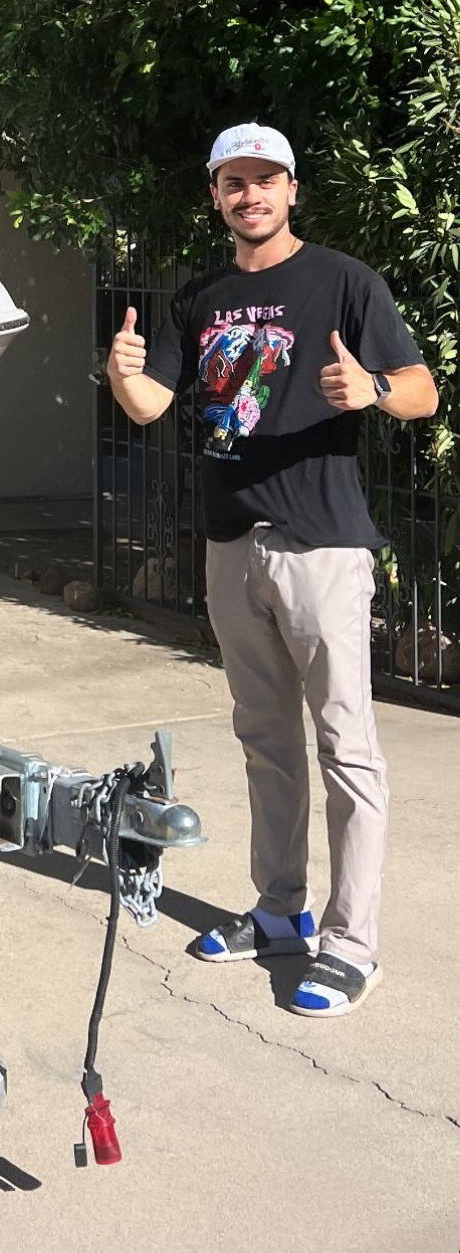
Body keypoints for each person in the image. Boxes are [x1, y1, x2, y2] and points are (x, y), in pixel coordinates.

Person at [106, 123, 438, 1018]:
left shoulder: (344, 281)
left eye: (265, 179)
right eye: (233, 181)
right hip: (231, 545)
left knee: (345, 746)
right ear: (215, 196)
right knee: (265, 739)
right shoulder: (199, 297)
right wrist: (122, 372)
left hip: (321, 546)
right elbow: (151, 406)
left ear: (292, 190)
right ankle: (281, 910)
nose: (249, 195)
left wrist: (372, 389)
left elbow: (422, 389)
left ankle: (352, 945)